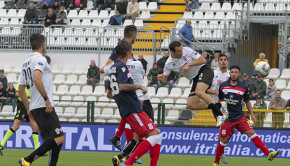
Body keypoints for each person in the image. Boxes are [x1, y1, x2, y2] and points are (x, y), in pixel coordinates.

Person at [213, 65, 280, 166]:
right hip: (228, 118)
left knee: (252, 133)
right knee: (223, 140)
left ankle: (269, 154)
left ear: (239, 74)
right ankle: (216, 163)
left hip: (240, 117)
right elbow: (220, 100)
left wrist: (252, 114)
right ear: (230, 73)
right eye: (232, 72)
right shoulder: (223, 85)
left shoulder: (243, 87)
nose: (234, 74)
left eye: (236, 72)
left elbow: (247, 102)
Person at [107, 41, 161, 166]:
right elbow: (121, 86)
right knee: (154, 135)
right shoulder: (121, 67)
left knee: (157, 134)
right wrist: (139, 86)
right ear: (128, 53)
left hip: (128, 108)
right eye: (131, 50)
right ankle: (127, 163)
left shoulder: (112, 69)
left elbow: (109, 94)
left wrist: (131, 99)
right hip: (132, 109)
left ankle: (123, 157)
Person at [18, 33, 64, 166]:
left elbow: (21, 89)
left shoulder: (25, 63)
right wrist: (46, 99)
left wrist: (28, 109)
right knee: (59, 137)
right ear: (43, 45)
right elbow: (37, 78)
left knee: (56, 139)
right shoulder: (41, 59)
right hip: (43, 105)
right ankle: (28, 160)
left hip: (35, 106)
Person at [157, 41, 228, 127]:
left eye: (181, 49)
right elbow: (164, 80)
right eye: (179, 51)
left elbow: (203, 60)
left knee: (199, 91)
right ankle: (220, 105)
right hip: (195, 78)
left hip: (204, 70)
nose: (181, 52)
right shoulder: (168, 64)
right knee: (191, 105)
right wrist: (161, 80)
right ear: (172, 52)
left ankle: (219, 115)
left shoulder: (187, 50)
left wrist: (189, 65)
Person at [0, 82, 39, 156]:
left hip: (30, 106)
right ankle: (1, 145)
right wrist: (28, 97)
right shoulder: (22, 81)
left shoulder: (32, 83)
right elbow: (17, 94)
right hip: (22, 105)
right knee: (16, 126)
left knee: (36, 127)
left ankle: (37, 150)